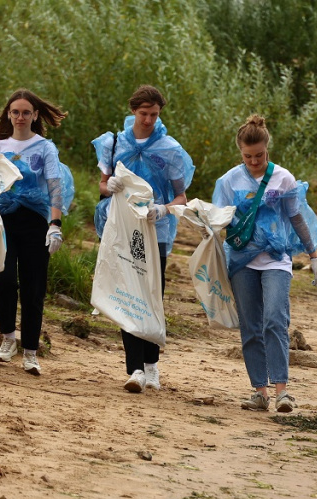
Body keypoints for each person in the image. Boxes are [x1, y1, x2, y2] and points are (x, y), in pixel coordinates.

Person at [212, 114, 317, 413]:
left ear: (267, 149)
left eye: (259, 155)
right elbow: (218, 220)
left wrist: (313, 256)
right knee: (250, 325)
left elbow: (296, 217)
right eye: (247, 156)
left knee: (275, 319)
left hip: (276, 258)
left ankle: (283, 391)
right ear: (240, 152)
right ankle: (259, 392)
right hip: (241, 260)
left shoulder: (283, 178)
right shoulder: (229, 181)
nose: (254, 161)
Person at [92, 85, 195, 393]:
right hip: (122, 230)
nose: (149, 120)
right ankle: (134, 368)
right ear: (132, 111)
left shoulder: (170, 150)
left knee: (151, 294)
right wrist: (108, 185)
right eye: (143, 113)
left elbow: (182, 196)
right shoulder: (113, 143)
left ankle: (152, 365)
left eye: (154, 114)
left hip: (155, 231)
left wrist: (163, 209)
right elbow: (101, 184)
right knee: (127, 293)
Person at [0, 89, 73, 376]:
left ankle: (31, 352)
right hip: (3, 220)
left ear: (35, 115)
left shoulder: (45, 148)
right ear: (8, 114)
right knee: (4, 279)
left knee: (34, 287)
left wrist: (55, 225)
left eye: (26, 112)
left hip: (36, 221)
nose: (20, 117)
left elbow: (54, 186)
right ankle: (8, 339)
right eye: (15, 112)